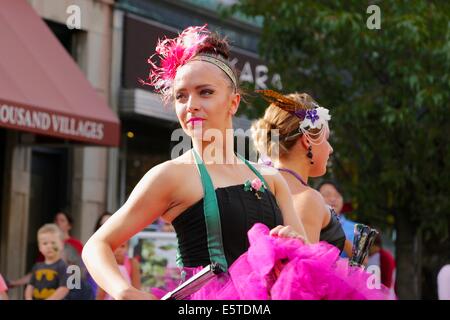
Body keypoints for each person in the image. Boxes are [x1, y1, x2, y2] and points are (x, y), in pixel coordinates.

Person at [82, 25, 306, 300]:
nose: (191, 105)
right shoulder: (171, 176)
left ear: (233, 102)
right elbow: (97, 245)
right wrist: (125, 291)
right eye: (181, 96)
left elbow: (306, 254)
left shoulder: (271, 178)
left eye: (205, 92)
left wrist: (293, 243)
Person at [251, 91, 353, 256]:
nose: (330, 149)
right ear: (307, 141)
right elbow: (301, 276)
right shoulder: (307, 198)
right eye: (326, 139)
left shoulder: (259, 185)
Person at [25, 224, 69, 300]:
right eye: (45, 243)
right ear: (40, 247)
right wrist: (28, 297)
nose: (49, 246)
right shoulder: (37, 266)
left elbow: (64, 288)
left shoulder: (62, 266)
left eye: (53, 243)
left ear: (61, 245)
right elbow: (30, 285)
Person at [318, 180, 358, 257]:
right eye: (327, 195)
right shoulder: (309, 223)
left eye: (337, 195)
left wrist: (339, 234)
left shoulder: (356, 228)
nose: (333, 199)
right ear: (315, 197)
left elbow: (363, 262)